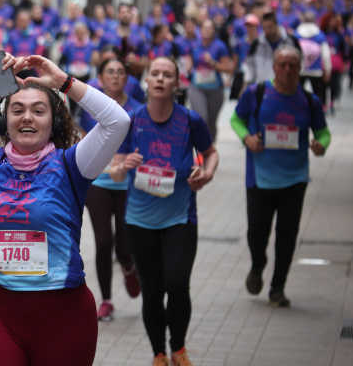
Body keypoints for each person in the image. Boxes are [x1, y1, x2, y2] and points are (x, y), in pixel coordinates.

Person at [0, 54, 130, 365]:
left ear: (55, 121)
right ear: (4, 121)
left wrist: (64, 82)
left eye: (38, 111)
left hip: (64, 317)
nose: (27, 118)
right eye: (18, 110)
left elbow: (118, 121)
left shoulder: (73, 165)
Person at [111, 57, 219, 366]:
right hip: (139, 221)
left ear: (177, 84)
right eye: (155, 74)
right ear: (146, 81)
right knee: (153, 289)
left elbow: (211, 154)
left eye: (167, 75)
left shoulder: (191, 120)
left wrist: (206, 174)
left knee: (177, 283)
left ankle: (178, 348)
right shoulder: (131, 120)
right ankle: (159, 353)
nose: (160, 78)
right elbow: (115, 172)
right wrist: (123, 166)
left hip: (179, 219)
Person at [230, 45, 330, 308]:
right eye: (282, 64)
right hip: (259, 177)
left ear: (300, 69)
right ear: (274, 67)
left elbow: (323, 133)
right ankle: (258, 263)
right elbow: (236, 120)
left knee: (287, 234)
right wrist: (247, 138)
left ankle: (278, 287)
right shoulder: (256, 93)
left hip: (295, 178)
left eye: (292, 65)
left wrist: (321, 145)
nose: (287, 70)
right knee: (257, 232)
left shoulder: (309, 101)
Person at [80, 58, 143, 322]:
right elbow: (82, 136)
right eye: (110, 72)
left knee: (124, 246)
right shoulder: (90, 106)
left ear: (126, 78)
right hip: (98, 182)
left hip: (128, 183)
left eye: (120, 72)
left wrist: (125, 163)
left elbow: (142, 145)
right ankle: (106, 300)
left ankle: (128, 266)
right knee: (103, 241)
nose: (115, 77)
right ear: (101, 78)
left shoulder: (138, 109)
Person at [187, 19, 232, 142]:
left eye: (210, 28)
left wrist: (213, 63)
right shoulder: (194, 45)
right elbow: (191, 61)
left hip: (215, 89)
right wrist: (188, 66)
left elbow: (228, 69)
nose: (207, 30)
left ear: (214, 31)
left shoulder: (220, 46)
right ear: (200, 30)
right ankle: (200, 146)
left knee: (211, 122)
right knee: (202, 118)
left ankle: (210, 147)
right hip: (197, 87)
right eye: (204, 27)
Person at [243, 12, 301, 88]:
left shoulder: (291, 41)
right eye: (264, 28)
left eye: (270, 27)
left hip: (286, 87)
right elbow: (250, 67)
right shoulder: (257, 44)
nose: (267, 31)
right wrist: (245, 85)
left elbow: (300, 62)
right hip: (263, 88)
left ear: (276, 25)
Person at [296, 11, 332, 111]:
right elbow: (326, 54)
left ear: (303, 20)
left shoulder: (297, 34)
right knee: (318, 93)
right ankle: (319, 111)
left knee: (298, 92)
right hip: (316, 70)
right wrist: (328, 69)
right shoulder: (320, 35)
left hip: (300, 70)